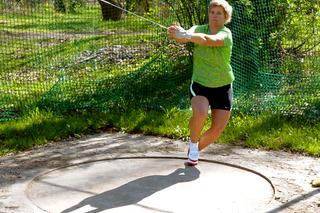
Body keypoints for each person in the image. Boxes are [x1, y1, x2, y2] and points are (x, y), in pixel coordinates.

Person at [167, 0, 234, 166]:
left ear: (225, 17)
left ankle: (194, 148)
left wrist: (187, 36)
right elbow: (185, 37)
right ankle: (194, 144)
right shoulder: (197, 28)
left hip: (223, 85)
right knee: (201, 113)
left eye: (219, 13)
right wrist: (179, 34)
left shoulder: (226, 34)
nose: (215, 16)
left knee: (217, 129)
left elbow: (208, 40)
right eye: (212, 12)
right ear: (208, 14)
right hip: (200, 84)